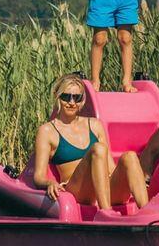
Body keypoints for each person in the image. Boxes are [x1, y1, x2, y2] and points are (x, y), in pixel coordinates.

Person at [32, 74, 148, 214]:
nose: (72, 102)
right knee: (98, 149)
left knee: (130, 156)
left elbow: (110, 167)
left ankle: (147, 212)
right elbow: (38, 176)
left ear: (82, 100)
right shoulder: (47, 131)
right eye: (66, 97)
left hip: (104, 188)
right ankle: (106, 212)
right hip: (78, 191)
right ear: (57, 97)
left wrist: (128, 179)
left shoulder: (94, 125)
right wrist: (50, 183)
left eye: (77, 98)